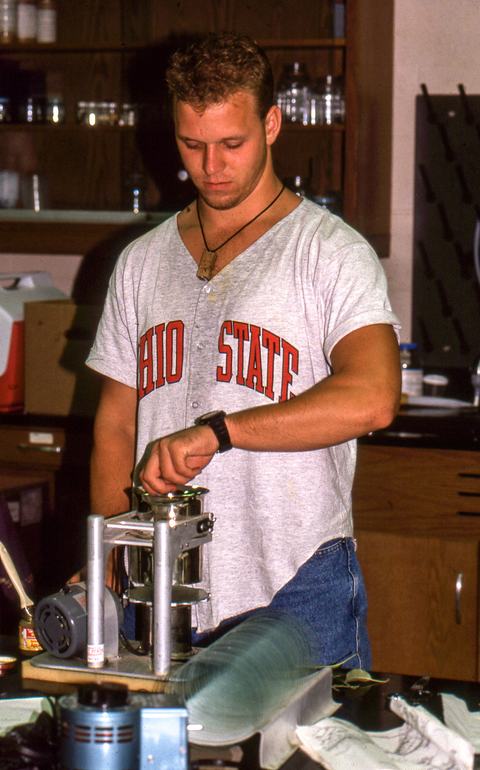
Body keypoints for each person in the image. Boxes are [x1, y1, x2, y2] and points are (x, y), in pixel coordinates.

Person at [86, 32, 401, 668]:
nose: (212, 166)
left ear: (273, 123)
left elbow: (373, 398)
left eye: (233, 143)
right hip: (165, 588)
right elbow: (116, 423)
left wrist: (220, 433)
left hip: (295, 586)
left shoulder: (328, 251)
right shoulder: (142, 262)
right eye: (193, 145)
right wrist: (111, 564)